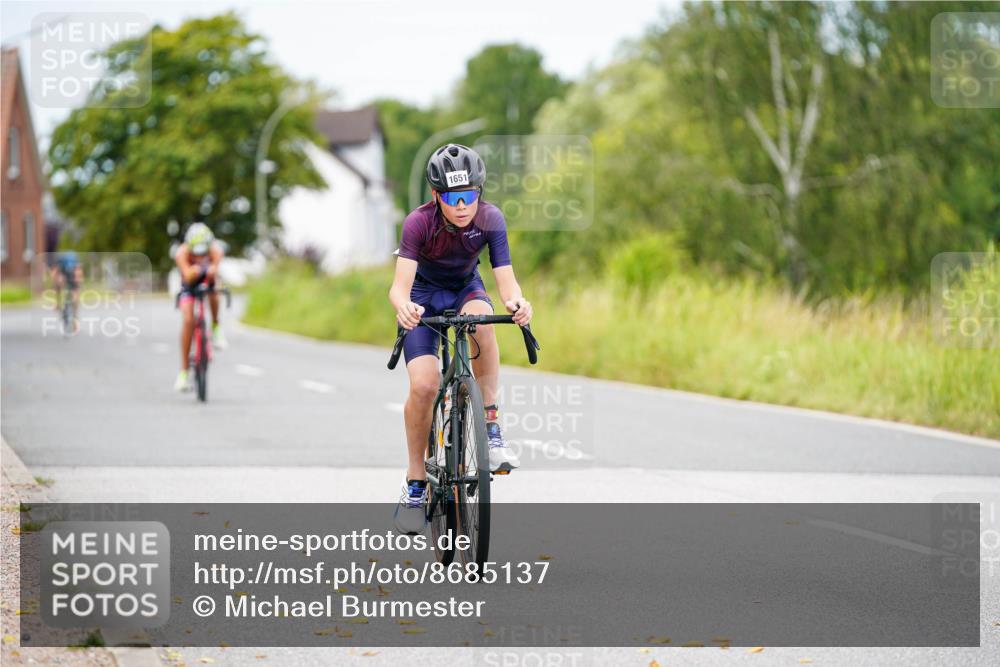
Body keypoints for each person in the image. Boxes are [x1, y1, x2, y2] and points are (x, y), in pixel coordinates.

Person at [389, 143, 533, 533]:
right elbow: (398, 288)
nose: (462, 205)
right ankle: (416, 482)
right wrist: (404, 307)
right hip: (423, 296)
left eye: (469, 195)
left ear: (479, 192)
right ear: (437, 196)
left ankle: (490, 426)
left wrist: (518, 302)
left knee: (483, 322)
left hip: (466, 289)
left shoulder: (490, 219)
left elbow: (506, 279)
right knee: (424, 385)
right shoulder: (418, 223)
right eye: (453, 197)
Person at [174, 222, 227, 391]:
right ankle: (183, 372)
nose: (199, 256)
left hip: (207, 281)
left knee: (214, 291)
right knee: (189, 320)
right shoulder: (181, 253)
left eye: (203, 253)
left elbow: (216, 271)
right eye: (195, 253)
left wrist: (211, 271)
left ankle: (216, 326)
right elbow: (187, 276)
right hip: (188, 285)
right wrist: (193, 271)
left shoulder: (216, 251)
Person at [50, 250, 83, 332]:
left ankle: (74, 319)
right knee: (60, 284)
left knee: (74, 294)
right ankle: (58, 303)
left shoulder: (73, 263)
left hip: (69, 273)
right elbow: (54, 274)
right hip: (64, 272)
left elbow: (78, 274)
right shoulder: (61, 262)